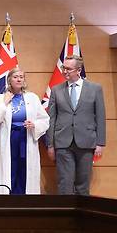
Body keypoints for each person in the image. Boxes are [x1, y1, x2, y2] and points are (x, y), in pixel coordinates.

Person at [46, 55, 105, 195]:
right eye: (63, 68)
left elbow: (100, 116)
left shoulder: (95, 89)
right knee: (64, 182)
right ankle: (64, 215)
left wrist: (100, 143)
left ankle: (81, 215)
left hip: (86, 141)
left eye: (68, 69)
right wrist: (50, 144)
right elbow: (51, 118)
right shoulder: (56, 90)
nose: (64, 71)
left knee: (83, 184)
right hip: (62, 142)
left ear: (78, 70)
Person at [0, 67, 49, 194]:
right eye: (16, 77)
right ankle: (7, 199)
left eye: (21, 77)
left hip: (26, 138)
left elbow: (44, 119)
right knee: (9, 167)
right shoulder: (0, 98)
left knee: (24, 167)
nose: (19, 79)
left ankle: (23, 198)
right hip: (8, 139)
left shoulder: (32, 98)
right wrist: (4, 103)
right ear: (9, 80)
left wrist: (34, 125)